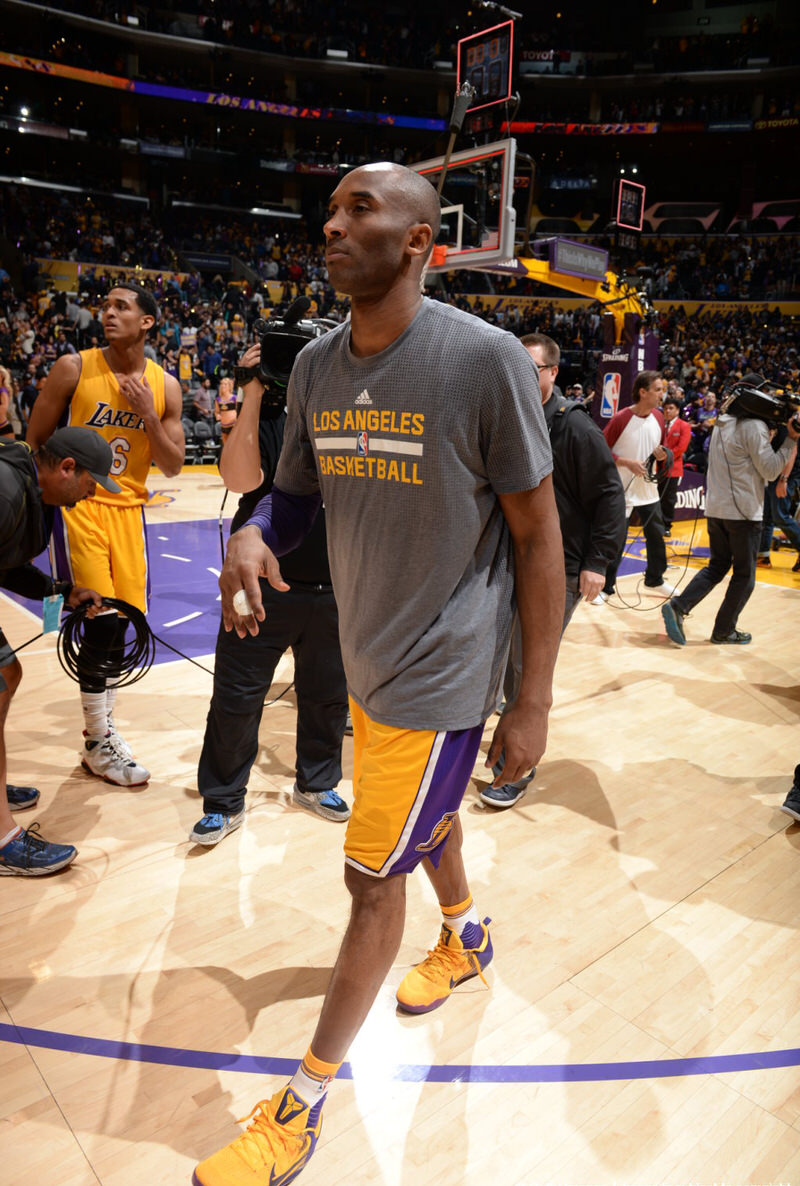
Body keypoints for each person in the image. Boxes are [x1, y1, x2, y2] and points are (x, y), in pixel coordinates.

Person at [193, 162, 565, 1186]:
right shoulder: (315, 364)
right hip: (367, 650)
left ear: (419, 243)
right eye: (330, 208)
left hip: (444, 672)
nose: (332, 223)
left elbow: (538, 539)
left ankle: (299, 1107)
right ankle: (466, 934)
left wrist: (530, 699)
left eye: (361, 208)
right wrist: (255, 533)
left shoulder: (480, 360)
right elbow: (292, 497)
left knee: (367, 878)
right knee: (421, 819)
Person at [191, 341, 350, 847]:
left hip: (336, 584)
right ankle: (222, 799)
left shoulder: (353, 417)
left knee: (327, 697)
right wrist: (253, 389)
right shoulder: (270, 416)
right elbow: (240, 479)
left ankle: (317, 782)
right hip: (255, 582)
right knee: (236, 696)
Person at [26, 283, 184, 785]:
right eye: (106, 305)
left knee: (122, 624)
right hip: (81, 506)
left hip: (129, 513)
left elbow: (174, 464)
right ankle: (98, 740)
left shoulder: (167, 386)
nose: (108, 312)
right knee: (99, 622)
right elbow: (35, 442)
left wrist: (145, 416)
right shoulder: (75, 367)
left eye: (122, 307)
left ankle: (103, 734)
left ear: (148, 323)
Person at [482, 332, 626, 809]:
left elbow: (609, 497)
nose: (521, 379)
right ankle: (506, 735)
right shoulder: (510, 418)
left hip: (559, 568)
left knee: (525, 666)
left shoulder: (575, 427)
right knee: (505, 660)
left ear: (552, 373)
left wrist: (597, 563)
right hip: (510, 561)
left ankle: (516, 767)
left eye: (532, 369)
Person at [0, 427, 115, 875]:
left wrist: (59, 591)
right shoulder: (8, 491)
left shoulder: (29, 488)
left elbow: (5, 564)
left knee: (9, 674)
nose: (91, 494)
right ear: (67, 468)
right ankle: (4, 840)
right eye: (91, 483)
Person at [661, 384, 800, 646]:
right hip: (743, 512)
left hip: (716, 509)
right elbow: (770, 471)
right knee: (745, 576)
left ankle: (679, 606)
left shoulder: (722, 422)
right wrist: (790, 439)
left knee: (717, 566)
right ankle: (724, 631)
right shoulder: (754, 426)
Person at [602, 370, 675, 598]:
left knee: (656, 536)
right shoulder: (621, 418)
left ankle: (654, 579)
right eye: (657, 390)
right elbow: (600, 451)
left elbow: (660, 447)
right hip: (621, 491)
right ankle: (605, 587)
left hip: (648, 490)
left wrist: (662, 455)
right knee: (617, 541)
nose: (661, 394)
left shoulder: (660, 418)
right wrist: (625, 462)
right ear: (643, 392)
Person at [659, 395, 692, 535]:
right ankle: (656, 524)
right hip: (657, 467)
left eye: (671, 408)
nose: (667, 411)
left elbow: (681, 448)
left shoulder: (684, 426)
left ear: (678, 410)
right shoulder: (660, 424)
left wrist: (665, 455)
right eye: (666, 408)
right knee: (656, 497)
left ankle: (666, 526)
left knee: (669, 499)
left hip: (673, 469)